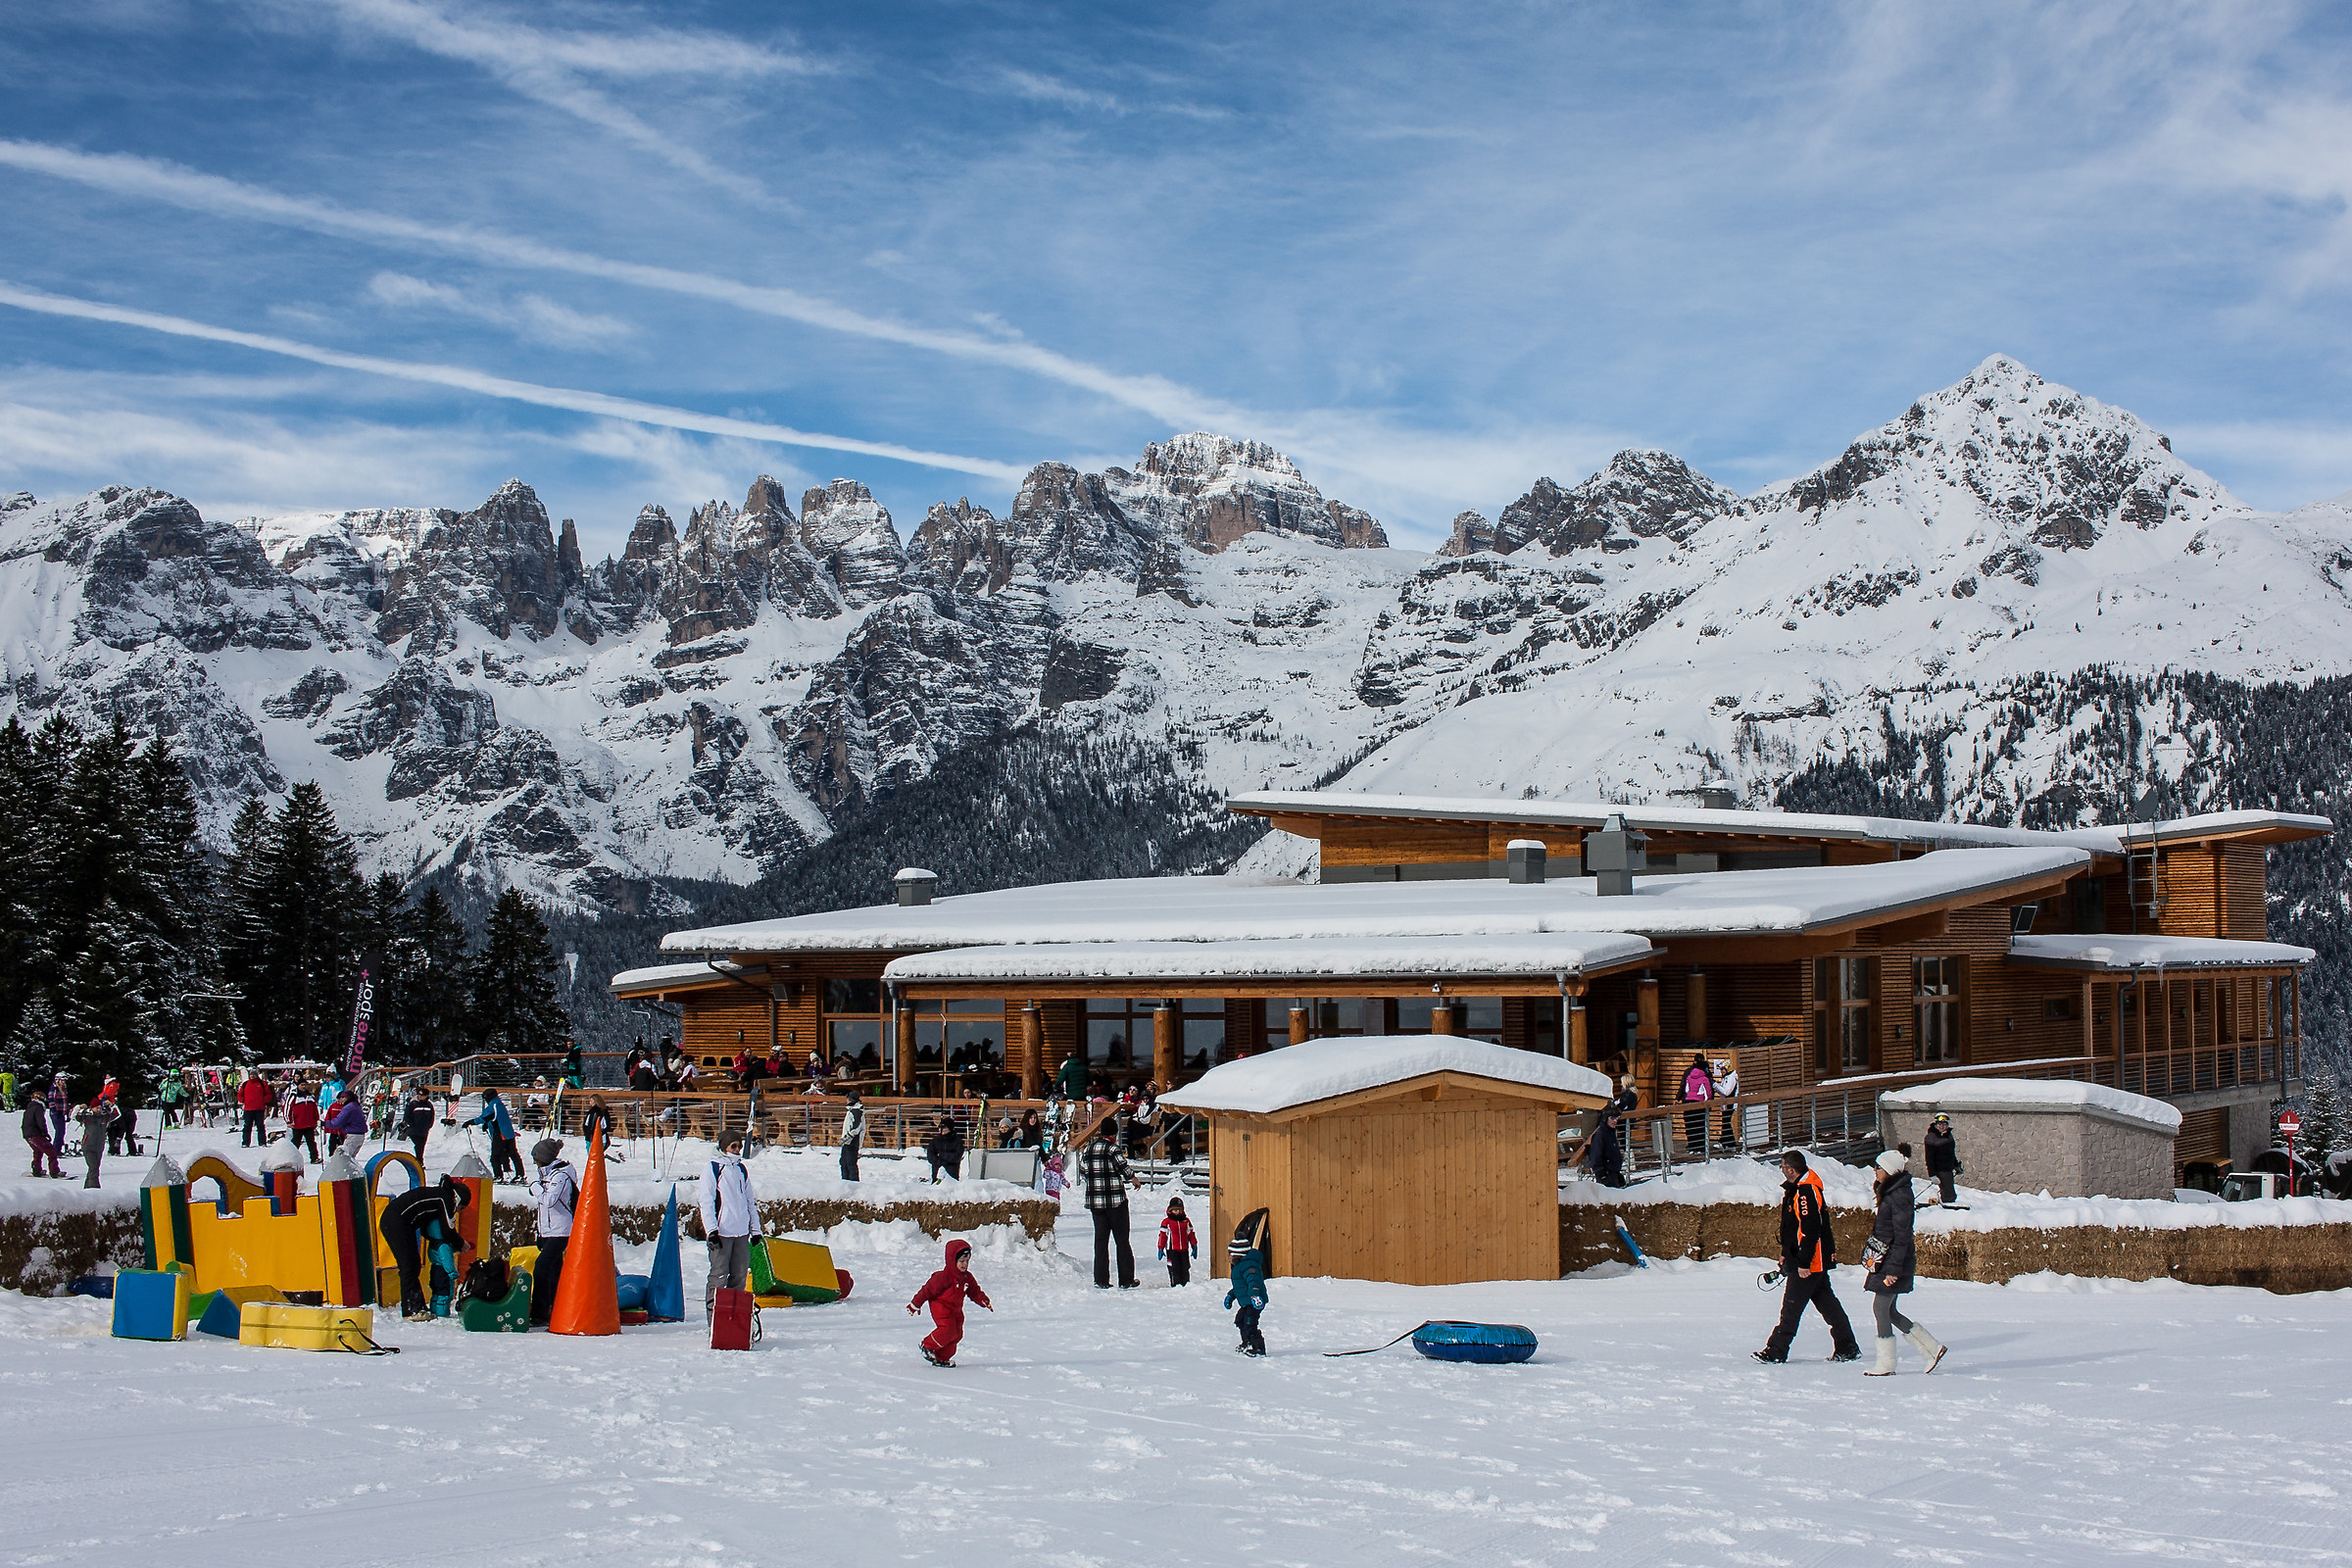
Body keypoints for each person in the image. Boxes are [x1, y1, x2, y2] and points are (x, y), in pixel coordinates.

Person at [1755, 1150, 1860, 1364]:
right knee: (1829, 1305)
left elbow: (1811, 1230)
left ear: (1791, 1169)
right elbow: (1791, 1227)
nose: (1781, 1170)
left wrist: (1804, 1262)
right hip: (1805, 1259)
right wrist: (1786, 1254)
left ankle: (1776, 1351)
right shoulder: (1797, 1189)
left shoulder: (1806, 1192)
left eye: (1782, 1167)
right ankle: (1847, 1346)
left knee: (1791, 1309)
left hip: (1810, 1262)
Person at [1863, 1148, 1947, 1375]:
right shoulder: (1892, 1192)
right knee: (1889, 1311)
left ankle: (1886, 1363)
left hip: (1893, 1263)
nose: (1875, 1170)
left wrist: (1893, 1270)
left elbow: (1902, 1237)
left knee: (1880, 1309)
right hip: (1886, 1261)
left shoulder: (1898, 1196)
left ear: (1889, 1170)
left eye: (1878, 1167)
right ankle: (1932, 1348)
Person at [379, 1174, 471, 1321]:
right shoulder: (445, 1198)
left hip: (396, 1220)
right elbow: (448, 1229)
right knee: (408, 1266)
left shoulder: (438, 1196)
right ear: (459, 1200)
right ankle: (411, 1310)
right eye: (460, 1209)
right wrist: (461, 1244)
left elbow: (426, 1228)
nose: (457, 1212)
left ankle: (417, 1306)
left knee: (413, 1264)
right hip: (396, 1221)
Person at [906, 1238, 993, 1367]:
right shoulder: (943, 1277)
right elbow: (926, 1291)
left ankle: (941, 1357)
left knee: (957, 1334)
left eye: (967, 1261)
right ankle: (927, 1345)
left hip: (956, 1310)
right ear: (952, 1261)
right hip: (941, 1308)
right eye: (961, 1261)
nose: (965, 1264)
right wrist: (915, 1305)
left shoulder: (967, 1277)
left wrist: (983, 1300)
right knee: (948, 1330)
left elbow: (974, 1291)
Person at [701, 1133, 757, 1316]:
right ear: (724, 1147)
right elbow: (706, 1201)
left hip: (741, 1232)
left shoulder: (741, 1169)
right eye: (733, 1146)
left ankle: (735, 1318)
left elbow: (749, 1201)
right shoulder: (713, 1168)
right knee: (718, 1275)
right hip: (722, 1232)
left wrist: (755, 1230)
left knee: (739, 1276)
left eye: (739, 1146)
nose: (737, 1150)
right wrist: (711, 1231)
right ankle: (715, 1319)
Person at [1078, 1128, 1137, 1288]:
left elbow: (1082, 1171)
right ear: (1113, 1134)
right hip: (1116, 1201)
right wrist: (1134, 1179)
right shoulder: (1112, 1149)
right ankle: (1126, 1280)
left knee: (1101, 1241)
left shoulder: (1089, 1150)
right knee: (1122, 1240)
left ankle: (1101, 1279)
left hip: (1096, 1202)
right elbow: (1123, 1168)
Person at [527, 1138, 577, 1326]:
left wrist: (535, 1187)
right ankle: (557, 1307)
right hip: (548, 1230)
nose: (534, 1162)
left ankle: (540, 1314)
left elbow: (549, 1200)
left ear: (544, 1158)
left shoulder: (561, 1176)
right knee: (555, 1271)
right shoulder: (547, 1174)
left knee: (541, 1268)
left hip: (561, 1230)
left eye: (535, 1158)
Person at [1225, 1228, 1269, 1356]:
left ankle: (1259, 1348)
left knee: (1250, 1323)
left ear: (1236, 1256)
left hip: (1255, 1301)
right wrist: (1231, 1295)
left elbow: (1253, 1282)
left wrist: (1255, 1296)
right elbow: (1241, 1287)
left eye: (1230, 1255)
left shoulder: (1249, 1266)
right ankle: (1247, 1342)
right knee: (1240, 1320)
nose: (1228, 1258)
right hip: (1247, 1302)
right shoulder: (1239, 1267)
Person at [468, 1088, 522, 1182]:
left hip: (500, 1135)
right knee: (513, 1154)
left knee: (495, 1157)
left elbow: (485, 1117)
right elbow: (496, 1118)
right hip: (509, 1133)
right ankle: (520, 1175)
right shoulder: (499, 1104)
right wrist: (487, 1124)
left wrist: (471, 1122)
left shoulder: (493, 1106)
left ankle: (498, 1176)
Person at [74, 1100, 117, 1188]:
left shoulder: (104, 1117)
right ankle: (95, 1188)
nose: (99, 1109)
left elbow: (117, 1114)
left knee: (94, 1168)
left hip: (99, 1146)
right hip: (88, 1146)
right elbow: (73, 1116)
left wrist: (111, 1105)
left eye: (100, 1107)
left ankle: (87, 1188)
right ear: (92, 1108)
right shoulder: (86, 1116)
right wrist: (79, 1107)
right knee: (93, 1167)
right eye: (96, 1108)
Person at [1157, 1196, 1199, 1286]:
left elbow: (1191, 1233)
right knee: (1174, 1268)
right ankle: (1175, 1284)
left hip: (1184, 1249)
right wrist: (1160, 1248)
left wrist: (1194, 1245)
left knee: (1185, 1267)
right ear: (1171, 1210)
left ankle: (1186, 1284)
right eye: (1175, 1210)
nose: (1178, 1212)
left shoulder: (1185, 1221)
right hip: (1172, 1250)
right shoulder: (1167, 1222)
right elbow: (1163, 1236)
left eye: (1180, 1210)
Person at [22, 1092, 63, 1178]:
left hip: (27, 1134)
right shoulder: (38, 1107)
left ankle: (37, 1169)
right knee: (51, 1151)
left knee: (38, 1151)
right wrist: (45, 1132)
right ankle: (54, 1171)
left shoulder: (29, 1108)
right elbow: (41, 1121)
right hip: (35, 1133)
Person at [1923, 1112, 1960, 1205]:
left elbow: (1951, 1153)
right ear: (1935, 1124)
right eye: (1939, 1124)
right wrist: (1932, 1174)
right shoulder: (1931, 1137)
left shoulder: (1948, 1136)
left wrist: (1956, 1165)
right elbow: (1929, 1158)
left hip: (1948, 1169)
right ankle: (1948, 1210)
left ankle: (1948, 1206)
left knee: (1949, 1192)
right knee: (1949, 1194)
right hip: (1940, 1170)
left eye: (1944, 1124)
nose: (1942, 1126)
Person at [1680, 1053, 1714, 1152]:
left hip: (1688, 1102)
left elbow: (1686, 1089)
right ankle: (1700, 1147)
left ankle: (1692, 1145)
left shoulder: (1689, 1076)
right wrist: (1708, 1103)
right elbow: (1708, 1093)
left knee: (1690, 1125)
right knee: (1700, 1125)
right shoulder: (1704, 1078)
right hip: (1699, 1103)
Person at [323, 1089, 368, 1157]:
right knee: (350, 1157)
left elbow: (338, 1122)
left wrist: (325, 1124)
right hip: (359, 1135)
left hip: (353, 1135)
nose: (340, 1099)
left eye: (342, 1097)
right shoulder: (356, 1105)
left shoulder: (348, 1107)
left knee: (345, 1157)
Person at [237, 1070, 273, 1148]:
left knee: (260, 1126)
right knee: (247, 1126)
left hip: (259, 1108)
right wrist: (243, 1100)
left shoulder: (262, 1084)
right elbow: (239, 1094)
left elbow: (268, 1094)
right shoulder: (245, 1084)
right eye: (251, 1074)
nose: (252, 1076)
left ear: (257, 1075)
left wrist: (263, 1100)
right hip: (248, 1109)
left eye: (254, 1074)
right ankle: (245, 1142)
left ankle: (262, 1142)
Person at [401, 1087, 435, 1164]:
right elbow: (407, 1116)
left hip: (424, 1130)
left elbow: (432, 1116)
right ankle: (419, 1161)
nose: (420, 1096)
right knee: (418, 1145)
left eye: (422, 1095)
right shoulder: (413, 1104)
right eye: (419, 1094)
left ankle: (419, 1160)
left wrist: (429, 1125)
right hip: (414, 1130)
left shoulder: (429, 1105)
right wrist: (412, 1124)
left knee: (422, 1145)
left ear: (426, 1096)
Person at [286, 1087, 321, 1161]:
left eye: (305, 1085)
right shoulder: (294, 1096)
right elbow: (287, 1108)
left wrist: (316, 1119)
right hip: (298, 1123)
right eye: (301, 1085)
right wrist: (288, 1121)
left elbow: (315, 1109)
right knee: (296, 1141)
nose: (303, 1087)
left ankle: (314, 1158)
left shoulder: (310, 1097)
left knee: (311, 1142)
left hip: (309, 1123)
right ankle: (290, 1158)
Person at [924, 1118, 965, 1182]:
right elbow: (930, 1156)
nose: (942, 1130)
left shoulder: (957, 1141)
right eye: (940, 1128)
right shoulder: (935, 1142)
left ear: (950, 1128)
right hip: (936, 1177)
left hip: (951, 1178)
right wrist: (939, 1161)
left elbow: (957, 1156)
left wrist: (943, 1155)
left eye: (944, 1127)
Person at [839, 1092, 865, 1182]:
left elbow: (856, 1127)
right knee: (844, 1162)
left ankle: (853, 1183)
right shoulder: (853, 1110)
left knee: (850, 1163)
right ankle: (845, 1181)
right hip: (848, 1141)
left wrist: (847, 1137)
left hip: (852, 1141)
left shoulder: (856, 1111)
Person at [1714, 1057, 1740, 1146]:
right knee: (1725, 1122)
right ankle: (1727, 1143)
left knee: (1726, 1123)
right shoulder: (1726, 1077)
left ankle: (1727, 1143)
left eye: (1722, 1069)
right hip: (1726, 1104)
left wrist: (1715, 1085)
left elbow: (1726, 1091)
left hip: (1730, 1104)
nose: (1721, 1071)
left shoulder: (1731, 1078)